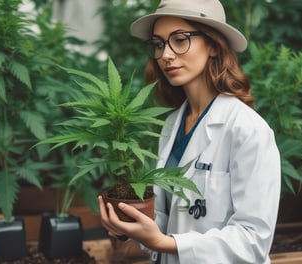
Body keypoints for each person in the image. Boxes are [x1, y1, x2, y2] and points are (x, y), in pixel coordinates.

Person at [98, 0, 281, 263]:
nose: (166, 55)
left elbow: (252, 241)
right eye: (159, 44)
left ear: (214, 46)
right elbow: (170, 216)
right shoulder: (172, 124)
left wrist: (167, 243)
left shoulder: (247, 130)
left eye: (180, 40)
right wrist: (130, 226)